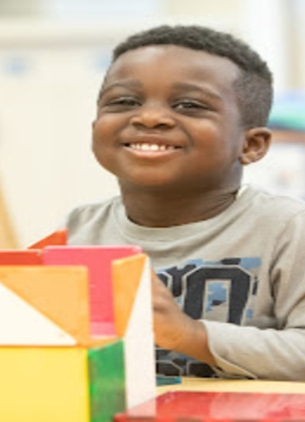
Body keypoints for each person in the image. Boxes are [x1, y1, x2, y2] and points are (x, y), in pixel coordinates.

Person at [65, 24, 305, 381]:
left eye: (189, 105)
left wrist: (189, 335)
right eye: (124, 102)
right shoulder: (79, 229)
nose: (148, 117)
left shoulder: (288, 229)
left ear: (251, 145)